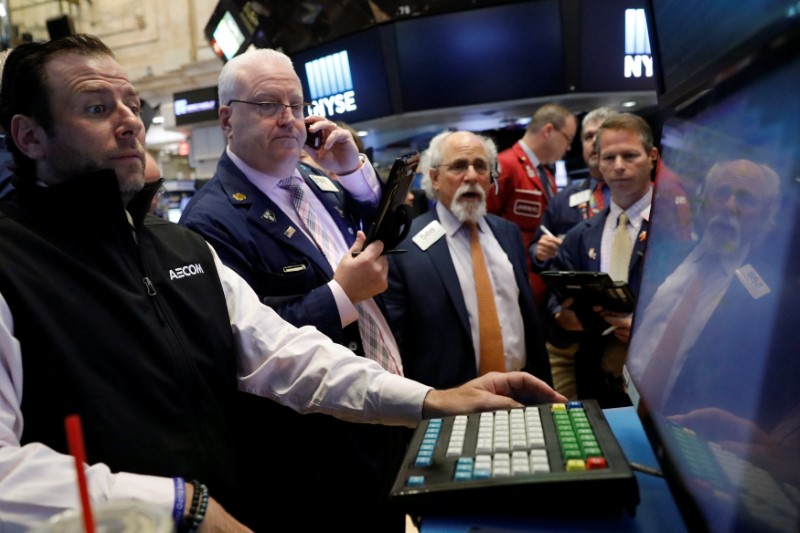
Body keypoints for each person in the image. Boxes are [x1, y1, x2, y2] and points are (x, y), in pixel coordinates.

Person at [0, 34, 566, 532]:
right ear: (30, 136)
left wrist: (426, 399)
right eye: (97, 107)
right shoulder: (18, 263)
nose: (129, 121)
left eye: (132, 103)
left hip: (241, 505)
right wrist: (175, 505)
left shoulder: (176, 247)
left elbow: (282, 352)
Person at [175, 48, 404, 531]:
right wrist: (342, 296)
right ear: (226, 118)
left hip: (381, 412)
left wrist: (352, 173)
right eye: (267, 105)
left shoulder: (315, 182)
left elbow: (385, 233)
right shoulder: (210, 220)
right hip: (315, 452)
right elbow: (246, 344)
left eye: (297, 105)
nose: (289, 119)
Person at [380, 130, 552, 391]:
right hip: (451, 405)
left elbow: (525, 317)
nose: (472, 176)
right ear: (435, 178)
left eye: (481, 166)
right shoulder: (404, 247)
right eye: (459, 166)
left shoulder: (508, 232)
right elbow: (395, 345)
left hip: (522, 392)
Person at [547, 113, 657, 407]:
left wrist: (644, 328)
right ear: (596, 160)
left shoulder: (678, 229)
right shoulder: (581, 236)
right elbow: (556, 296)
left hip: (661, 383)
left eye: (630, 155)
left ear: (652, 156)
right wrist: (561, 314)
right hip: (597, 382)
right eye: (609, 157)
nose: (618, 166)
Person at [528, 107, 617, 398]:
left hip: (619, 334)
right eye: (589, 136)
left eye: (601, 134)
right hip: (568, 334)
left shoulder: (636, 197)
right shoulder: (564, 199)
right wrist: (539, 253)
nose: (595, 142)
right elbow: (538, 258)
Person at [486, 103, 577, 304]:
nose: (569, 147)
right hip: (511, 282)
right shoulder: (506, 165)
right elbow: (482, 224)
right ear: (548, 131)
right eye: (568, 139)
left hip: (539, 283)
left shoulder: (546, 174)